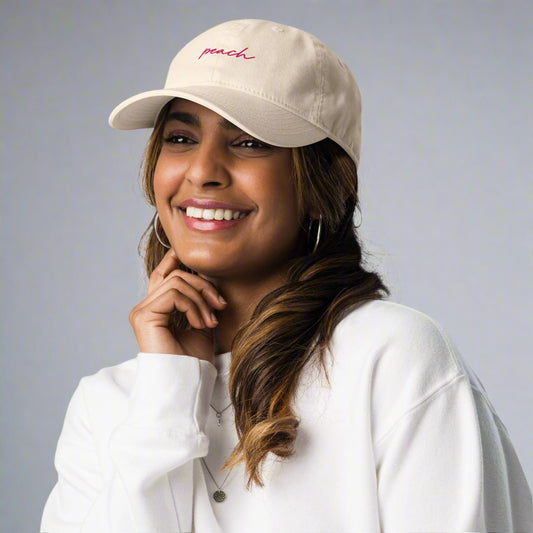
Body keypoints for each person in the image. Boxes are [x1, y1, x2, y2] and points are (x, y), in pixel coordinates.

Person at [40, 19, 532, 533]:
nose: (203, 169)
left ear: (328, 183)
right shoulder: (107, 404)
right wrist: (169, 391)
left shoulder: (390, 357)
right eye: (181, 137)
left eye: (250, 142)